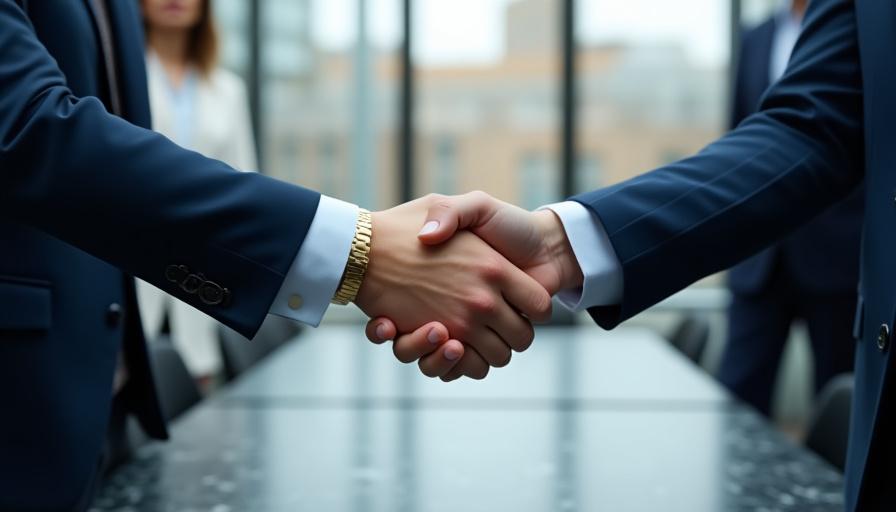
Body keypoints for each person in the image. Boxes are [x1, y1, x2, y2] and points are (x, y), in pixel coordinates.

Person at [0, 1, 551, 510]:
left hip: (115, 378)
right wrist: (360, 253)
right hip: (28, 390)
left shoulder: (221, 86)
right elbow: (29, 126)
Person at [369, 1, 892, 509]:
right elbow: (808, 132)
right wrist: (558, 244)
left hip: (836, 263)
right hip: (760, 267)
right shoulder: (768, 34)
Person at [717, 0, 861, 416]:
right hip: (760, 260)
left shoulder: (856, 28)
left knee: (839, 400)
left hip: (837, 256)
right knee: (737, 396)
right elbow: (740, 137)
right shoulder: (755, 37)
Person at [138, 0, 258, 382]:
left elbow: (245, 183)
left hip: (200, 271)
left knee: (193, 395)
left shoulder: (227, 89)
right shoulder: (118, 76)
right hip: (128, 264)